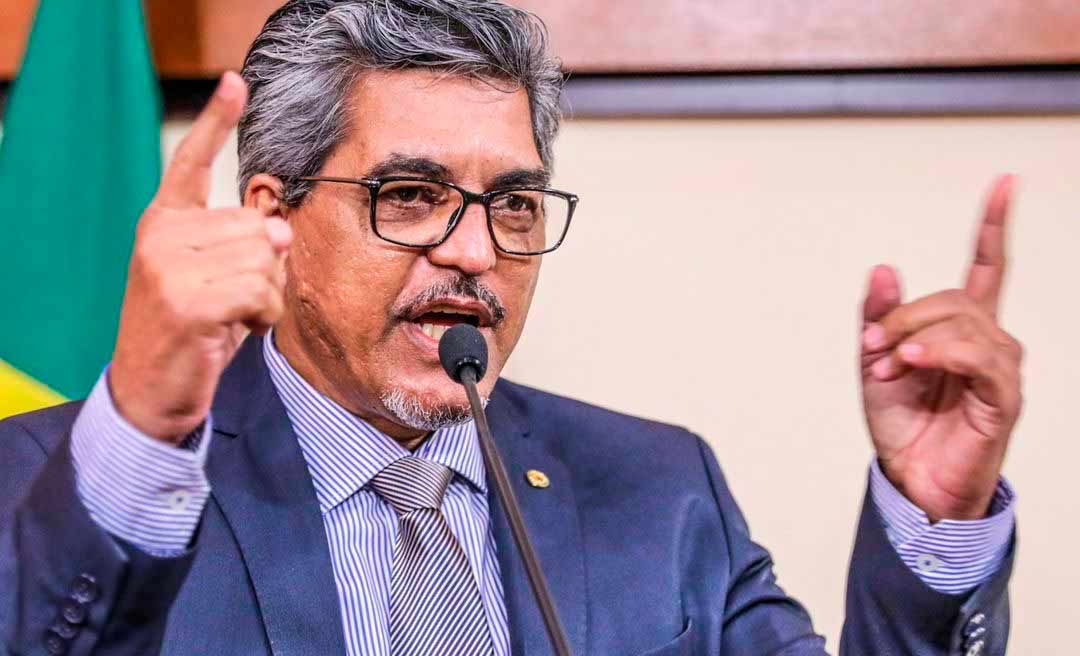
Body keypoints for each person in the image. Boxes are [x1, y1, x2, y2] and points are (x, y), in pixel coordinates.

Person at [0, 1, 1021, 654]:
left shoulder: (660, 490)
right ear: (275, 217)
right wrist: (144, 435)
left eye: (516, 204)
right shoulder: (61, 480)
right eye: (411, 195)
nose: (475, 251)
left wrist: (936, 516)